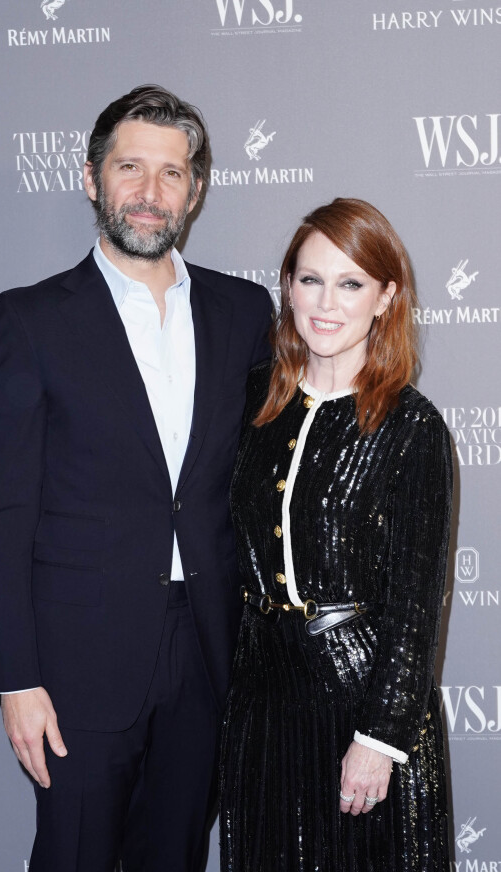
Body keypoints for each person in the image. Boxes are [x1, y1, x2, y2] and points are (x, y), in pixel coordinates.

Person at [0, 84, 272, 872]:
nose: (149, 192)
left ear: (196, 191)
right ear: (90, 178)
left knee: (174, 856)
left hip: (207, 653)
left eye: (171, 173)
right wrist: (16, 679)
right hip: (76, 664)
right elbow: (2, 512)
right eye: (130, 167)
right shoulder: (31, 321)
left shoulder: (244, 315)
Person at [220, 198, 452, 871]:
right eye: (309, 279)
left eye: (350, 283)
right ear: (287, 286)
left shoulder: (411, 428)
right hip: (264, 694)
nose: (326, 302)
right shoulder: (252, 402)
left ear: (386, 297)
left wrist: (379, 739)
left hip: (359, 689)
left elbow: (415, 606)